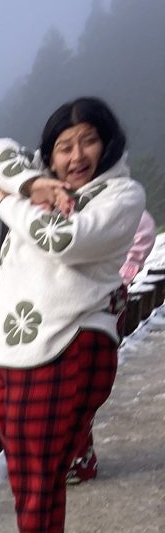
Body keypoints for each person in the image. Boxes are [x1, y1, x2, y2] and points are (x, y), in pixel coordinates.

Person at [0, 96, 145, 533]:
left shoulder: (120, 195)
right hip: (21, 349)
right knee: (26, 470)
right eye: (63, 146)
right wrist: (31, 184)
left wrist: (7, 201)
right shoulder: (46, 185)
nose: (75, 156)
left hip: (68, 343)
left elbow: (62, 238)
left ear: (109, 141)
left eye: (88, 140)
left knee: (43, 470)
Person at [68, 207, 156, 484]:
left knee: (86, 383)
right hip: (68, 303)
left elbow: (143, 227)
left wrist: (125, 271)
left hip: (104, 301)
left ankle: (79, 458)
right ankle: (74, 456)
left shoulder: (110, 198)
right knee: (70, 382)